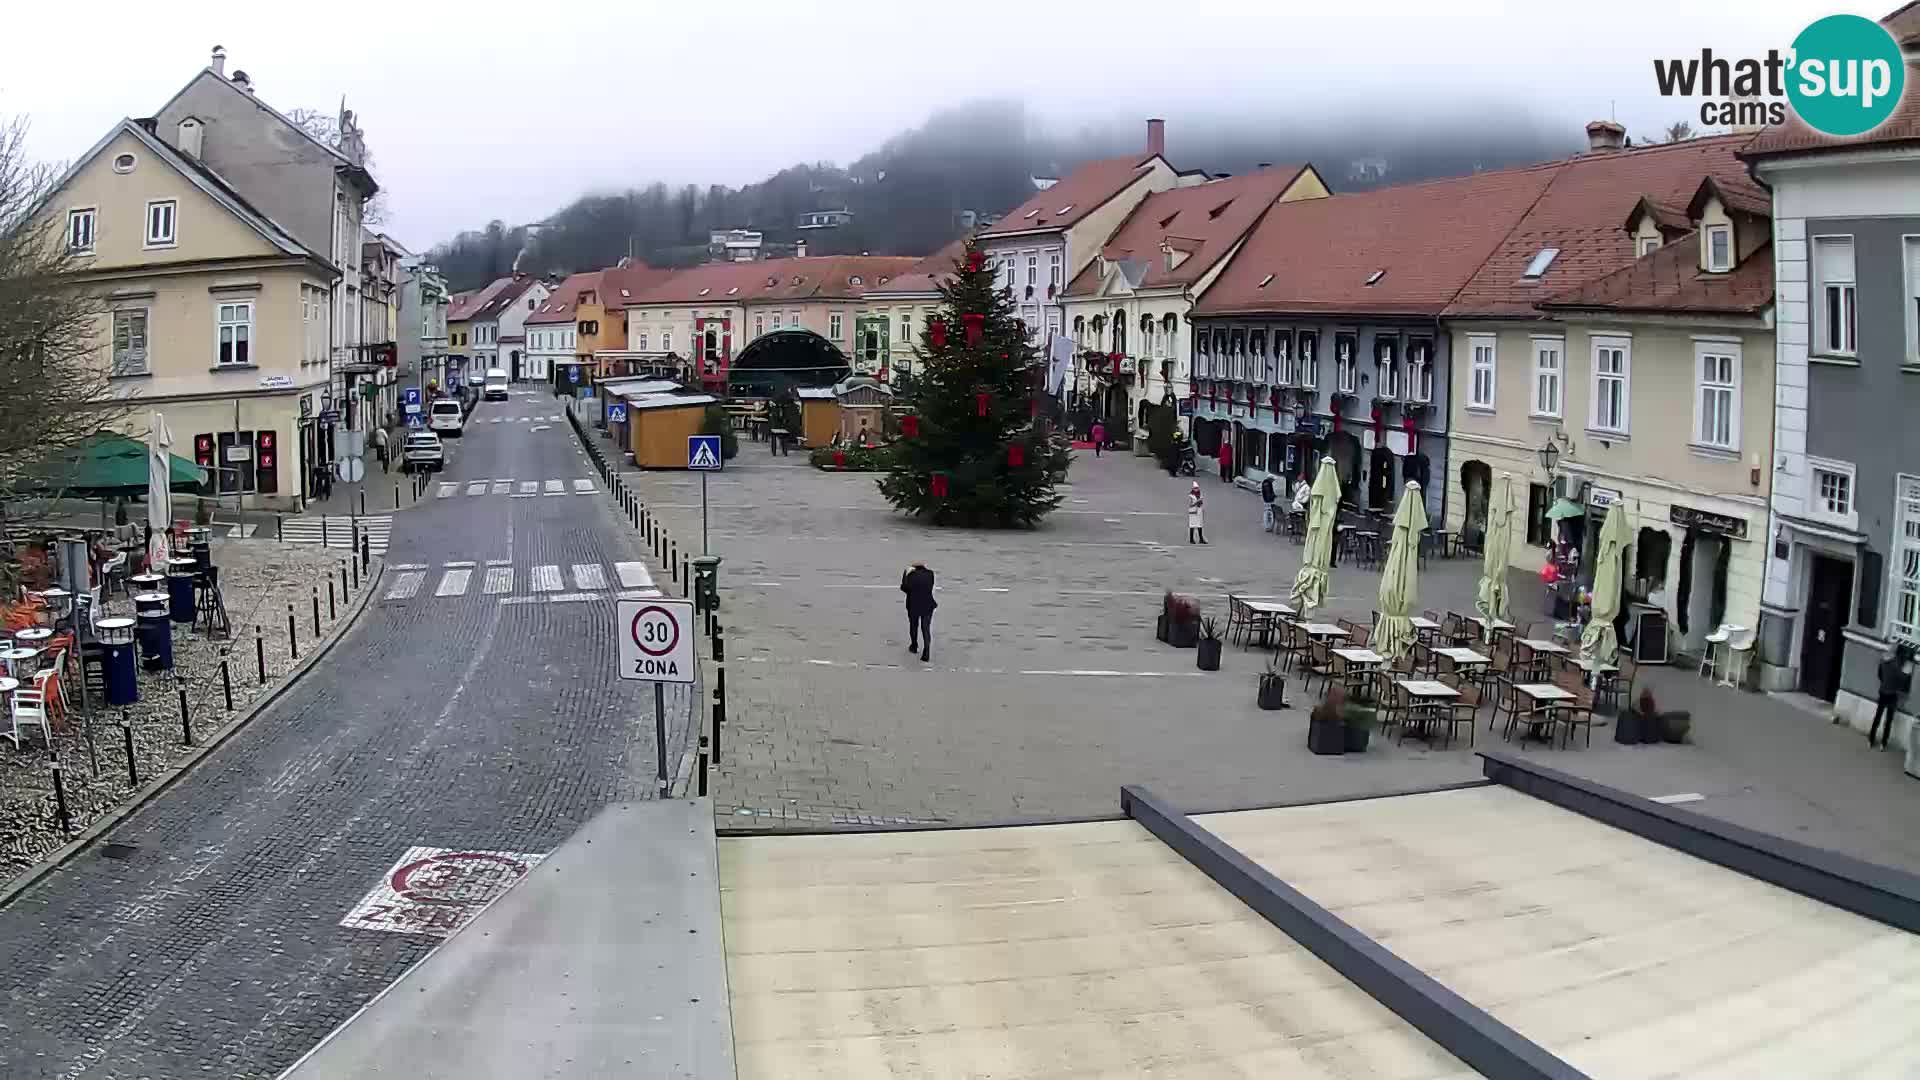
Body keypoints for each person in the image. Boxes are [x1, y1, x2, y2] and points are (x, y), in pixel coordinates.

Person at [1869, 642, 1913, 750]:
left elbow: (1879, 675)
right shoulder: (1898, 667)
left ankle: (1871, 739)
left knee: (1878, 716)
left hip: (1883, 691)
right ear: (1901, 655)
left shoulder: (1885, 661)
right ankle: (1883, 743)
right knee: (1888, 720)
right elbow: (1902, 681)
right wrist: (1908, 670)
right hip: (1892, 694)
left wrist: (1885, 682)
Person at [901, 561, 937, 662]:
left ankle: (914, 645)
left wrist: (906, 574)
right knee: (926, 629)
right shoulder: (930, 574)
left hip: (913, 605)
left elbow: (904, 588)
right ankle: (926, 652)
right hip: (927, 604)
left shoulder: (911, 576)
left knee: (913, 625)